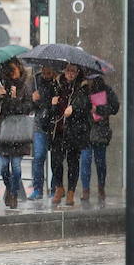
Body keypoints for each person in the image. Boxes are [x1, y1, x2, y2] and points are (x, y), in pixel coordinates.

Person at [0, 59, 33, 209]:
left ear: (20, 69)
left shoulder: (25, 88)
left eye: (14, 69)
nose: (12, 73)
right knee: (3, 167)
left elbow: (27, 108)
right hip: (3, 133)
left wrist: (15, 100)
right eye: (10, 70)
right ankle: (9, 188)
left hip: (18, 133)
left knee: (16, 168)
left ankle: (14, 193)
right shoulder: (2, 85)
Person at [49, 63, 92, 206]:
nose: (70, 73)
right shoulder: (56, 84)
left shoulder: (83, 86)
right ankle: (59, 187)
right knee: (55, 161)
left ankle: (71, 192)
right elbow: (49, 107)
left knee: (73, 162)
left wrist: (74, 107)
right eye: (68, 70)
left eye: (73, 71)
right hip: (58, 129)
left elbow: (85, 103)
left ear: (78, 72)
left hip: (75, 130)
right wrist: (53, 105)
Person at [80, 75, 120, 204]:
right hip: (86, 131)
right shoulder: (83, 89)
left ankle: (101, 188)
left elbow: (115, 107)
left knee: (100, 162)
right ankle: (85, 190)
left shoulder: (105, 90)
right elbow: (77, 106)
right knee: (85, 160)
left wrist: (98, 109)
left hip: (100, 131)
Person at [28, 65, 58, 200]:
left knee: (56, 158)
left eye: (49, 71)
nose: (46, 73)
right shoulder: (35, 81)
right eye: (45, 71)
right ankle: (37, 189)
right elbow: (29, 107)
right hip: (40, 123)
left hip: (55, 124)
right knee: (39, 156)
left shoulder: (58, 83)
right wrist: (33, 99)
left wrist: (55, 103)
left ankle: (54, 188)